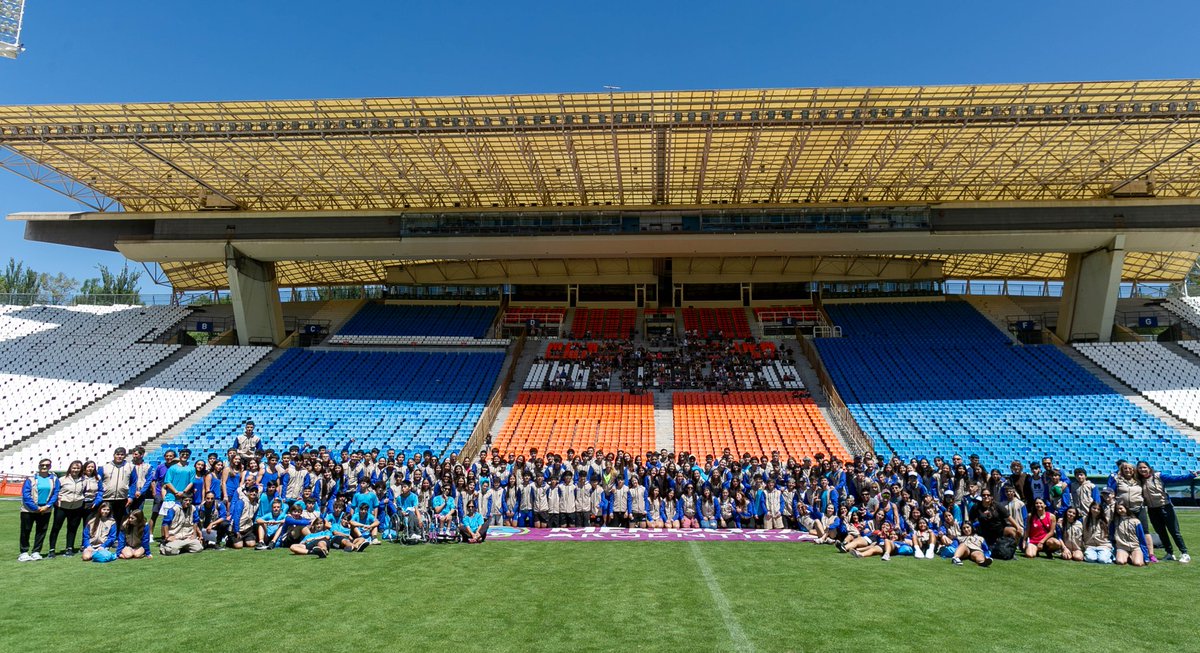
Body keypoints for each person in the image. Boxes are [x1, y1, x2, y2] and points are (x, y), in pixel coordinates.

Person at [1137, 461, 1192, 563]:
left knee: (1174, 532)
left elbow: (1175, 479)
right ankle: (1170, 553)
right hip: (1152, 509)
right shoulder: (1139, 480)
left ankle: (1184, 553)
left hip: (1165, 507)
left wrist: (1191, 476)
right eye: (1140, 468)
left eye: (1144, 467)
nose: (1142, 470)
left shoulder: (1158, 476)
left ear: (1149, 468)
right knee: (1161, 532)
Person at [48, 460, 96, 558]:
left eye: (78, 468)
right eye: (74, 468)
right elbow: (55, 491)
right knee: (56, 528)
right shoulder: (62, 479)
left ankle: (69, 548)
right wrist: (57, 499)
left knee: (72, 528)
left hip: (76, 507)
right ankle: (52, 549)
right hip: (62, 507)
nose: (75, 470)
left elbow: (87, 492)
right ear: (70, 468)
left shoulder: (84, 480)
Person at [19, 459, 60, 562]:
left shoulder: (54, 479)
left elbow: (55, 493)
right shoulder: (31, 479)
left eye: (47, 465)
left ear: (50, 467)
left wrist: (47, 506)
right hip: (28, 510)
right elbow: (26, 494)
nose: (44, 467)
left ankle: (36, 551)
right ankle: (24, 552)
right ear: (39, 466)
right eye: (42, 465)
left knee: (41, 531)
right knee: (26, 530)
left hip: (45, 509)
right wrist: (35, 508)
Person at [97, 447, 133, 526]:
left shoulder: (130, 467)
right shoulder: (104, 467)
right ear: (114, 455)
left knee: (119, 520)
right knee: (105, 520)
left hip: (122, 498)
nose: (119, 456)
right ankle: (105, 537)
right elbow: (98, 482)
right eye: (117, 454)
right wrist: (99, 496)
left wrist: (131, 496)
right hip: (106, 498)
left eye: (122, 454)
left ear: (125, 456)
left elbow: (133, 482)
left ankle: (117, 537)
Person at [1112, 502, 1148, 567]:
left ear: (1126, 508)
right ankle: (1127, 556)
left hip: (1135, 547)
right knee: (1120, 562)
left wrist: (1146, 556)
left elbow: (1141, 538)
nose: (1119, 511)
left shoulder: (1136, 521)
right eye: (1117, 509)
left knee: (1138, 563)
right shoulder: (1115, 521)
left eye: (1121, 508)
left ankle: (1133, 556)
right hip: (1122, 547)